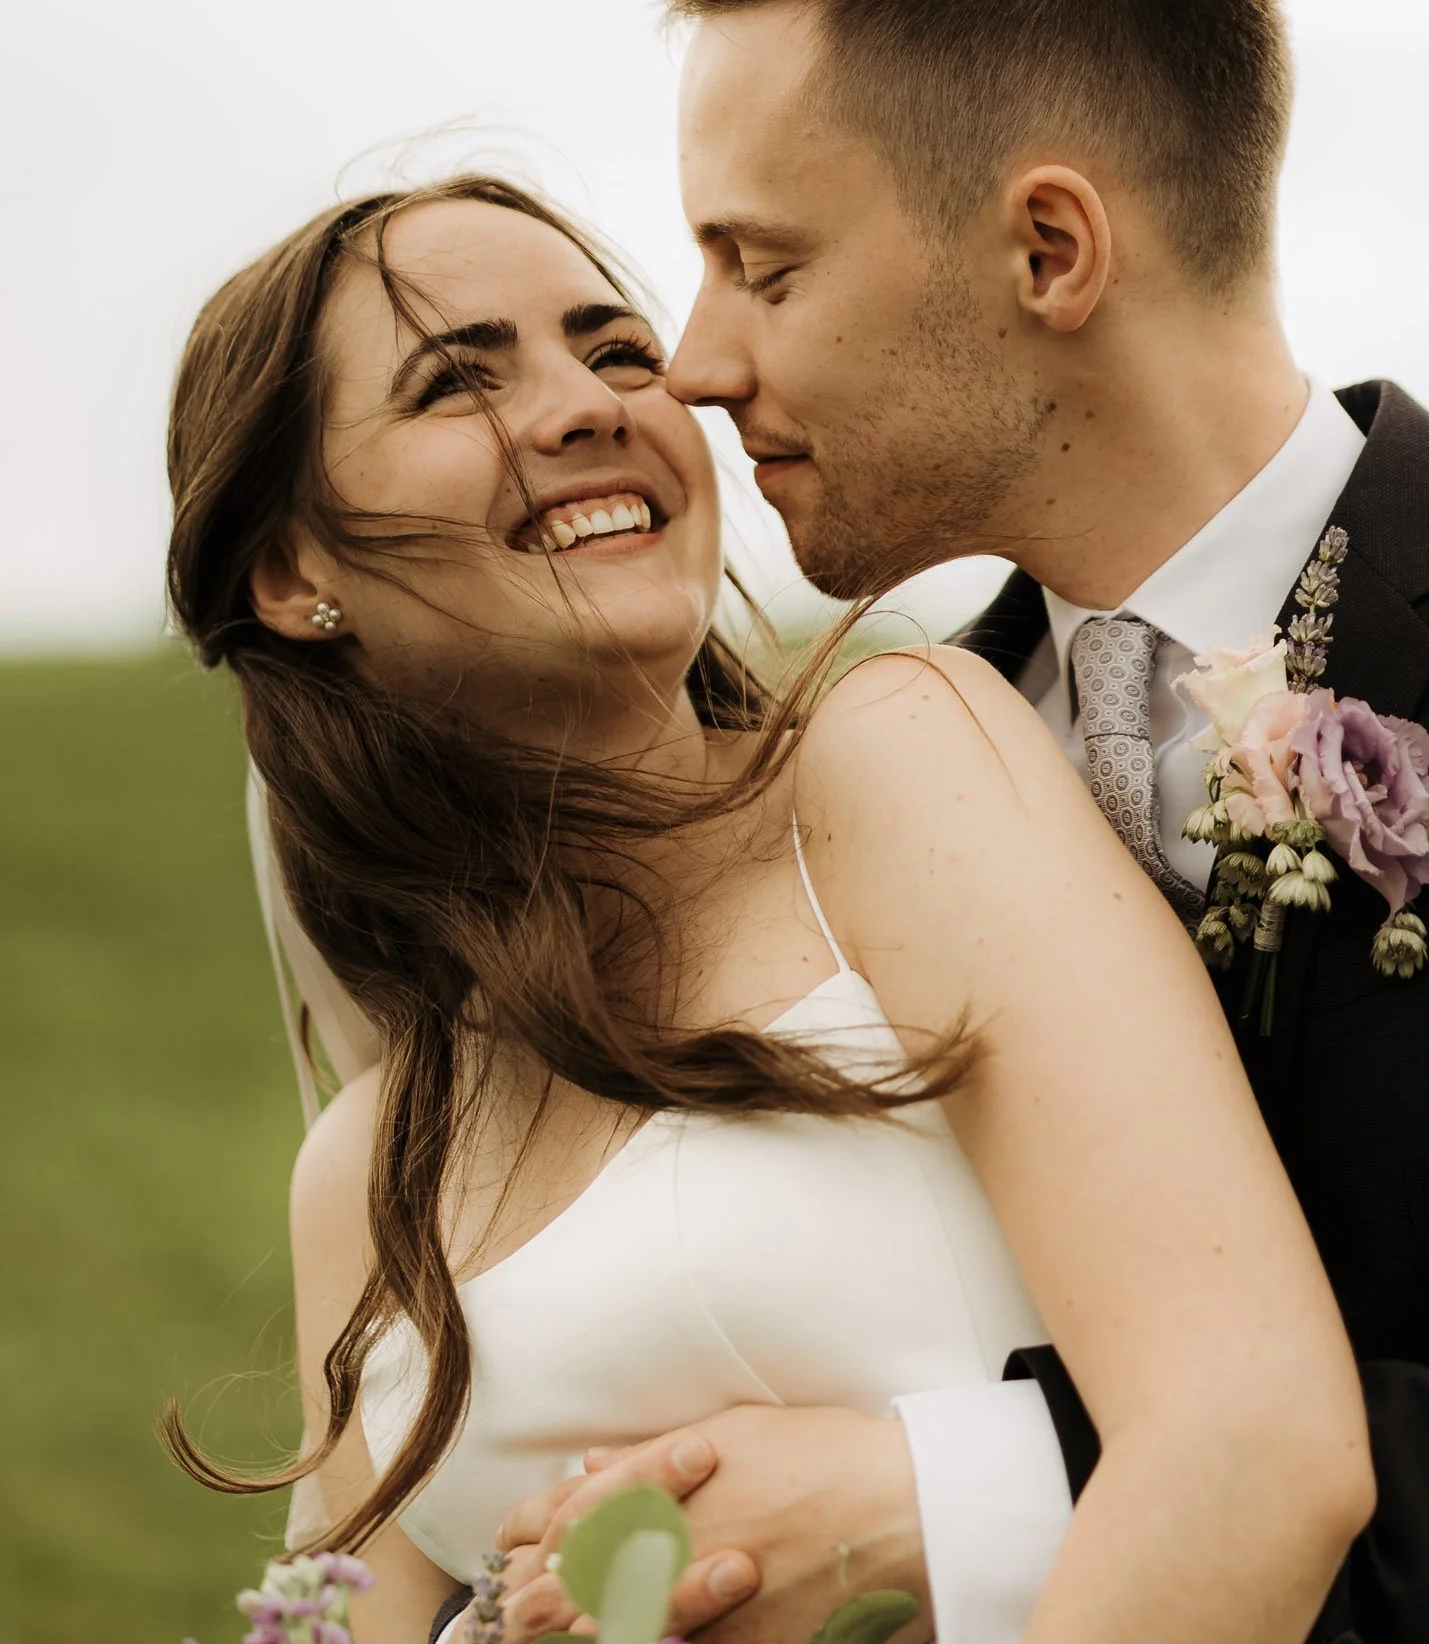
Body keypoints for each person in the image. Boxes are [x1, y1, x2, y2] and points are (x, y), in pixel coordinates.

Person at [163, 172, 1370, 1644]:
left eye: (612, 350)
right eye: (457, 382)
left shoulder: (901, 759)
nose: (595, 401)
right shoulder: (365, 1174)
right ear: (293, 570)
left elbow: (1254, 1445)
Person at [494, 0, 1429, 1644]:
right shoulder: (851, 809)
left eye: (763, 264)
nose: (693, 363)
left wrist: (976, 1491)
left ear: (1052, 252)